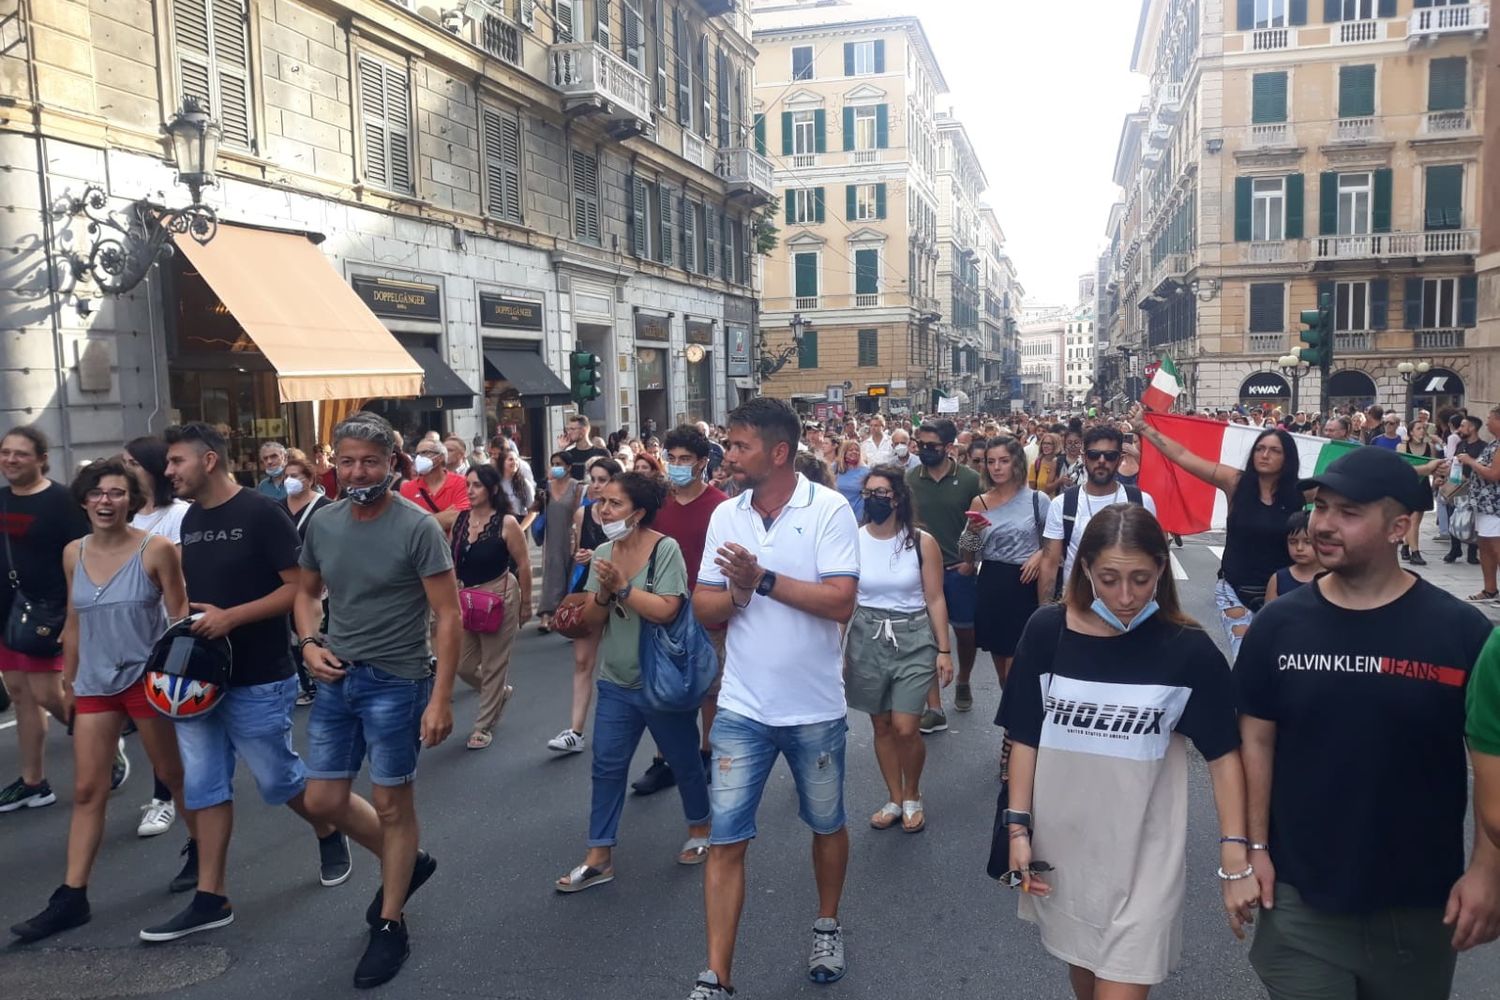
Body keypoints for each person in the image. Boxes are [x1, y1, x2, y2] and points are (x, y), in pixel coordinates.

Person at [1237, 446, 1500, 997]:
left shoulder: (1462, 634)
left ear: (1399, 527)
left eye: (1348, 512)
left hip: (1419, 906)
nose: (1323, 525)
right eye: (1322, 507)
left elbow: (1491, 765)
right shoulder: (1278, 625)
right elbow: (1256, 740)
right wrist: (1251, 849)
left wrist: (1486, 871)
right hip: (1298, 900)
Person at [1001, 504, 1256, 998]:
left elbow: (1225, 756)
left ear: (1162, 569)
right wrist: (1018, 829)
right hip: (1064, 851)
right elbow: (1025, 737)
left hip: (1146, 860)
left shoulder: (1188, 650)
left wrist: (1235, 854)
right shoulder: (1047, 631)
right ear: (1086, 570)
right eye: (1109, 578)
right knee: (1084, 974)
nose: (1124, 596)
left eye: (1140, 579)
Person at [148, 422, 351, 943]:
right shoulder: (190, 519)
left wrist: (232, 618)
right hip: (198, 681)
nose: (169, 471)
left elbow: (302, 591)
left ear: (209, 461)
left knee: (277, 780)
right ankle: (211, 897)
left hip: (260, 677)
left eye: (177, 461)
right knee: (204, 785)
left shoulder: (262, 514)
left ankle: (328, 828)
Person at [686, 397, 859, 999]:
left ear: (778, 452)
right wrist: (736, 592)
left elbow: (841, 601)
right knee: (726, 838)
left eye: (739, 446)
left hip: (815, 709)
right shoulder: (725, 516)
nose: (726, 456)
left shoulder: (830, 508)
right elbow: (705, 609)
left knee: (827, 823)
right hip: (742, 709)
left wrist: (760, 579)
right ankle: (716, 976)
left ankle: (827, 923)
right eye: (727, 445)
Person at [295, 411, 461, 989]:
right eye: (347, 461)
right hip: (336, 678)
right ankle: (407, 862)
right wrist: (310, 642)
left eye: (370, 460)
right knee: (322, 799)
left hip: (397, 680)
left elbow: (448, 615)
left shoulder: (418, 526)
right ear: (332, 465)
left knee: (393, 806)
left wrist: (441, 700)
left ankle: (390, 923)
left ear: (393, 464)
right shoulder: (323, 522)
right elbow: (308, 593)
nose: (358, 470)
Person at [8, 460, 193, 942]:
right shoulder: (74, 551)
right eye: (97, 493)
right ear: (85, 500)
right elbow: (73, 618)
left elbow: (179, 620)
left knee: (173, 777)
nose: (105, 501)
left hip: (144, 680)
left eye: (116, 493)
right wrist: (69, 679)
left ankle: (199, 849)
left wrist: (176, 685)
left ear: (132, 501)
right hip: (93, 683)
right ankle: (72, 896)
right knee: (88, 790)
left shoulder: (158, 550)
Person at [554, 472, 711, 891]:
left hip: (662, 681)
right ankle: (599, 855)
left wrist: (622, 588)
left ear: (638, 512)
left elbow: (667, 610)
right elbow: (590, 620)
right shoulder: (604, 550)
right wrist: (603, 594)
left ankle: (701, 828)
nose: (603, 511)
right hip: (616, 681)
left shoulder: (665, 549)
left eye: (614, 504)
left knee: (683, 761)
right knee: (606, 766)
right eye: (602, 502)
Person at [1136, 414, 1296, 659]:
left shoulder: (1300, 492)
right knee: (1246, 655)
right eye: (1260, 449)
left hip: (1282, 591)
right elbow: (1182, 456)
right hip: (1235, 588)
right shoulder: (1235, 482)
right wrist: (1143, 428)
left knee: (1278, 657)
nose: (1265, 455)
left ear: (1287, 458)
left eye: (1274, 451)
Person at [846, 466, 951, 834]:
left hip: (913, 635)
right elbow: (844, 598)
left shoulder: (921, 542)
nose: (875, 500)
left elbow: (935, 598)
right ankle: (894, 797)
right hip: (867, 635)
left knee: (906, 726)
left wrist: (944, 650)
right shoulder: (852, 539)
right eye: (869, 493)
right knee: (881, 723)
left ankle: (912, 793)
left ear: (898, 498)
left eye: (883, 493)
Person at [632, 425, 729, 796]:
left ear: (702, 462)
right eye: (671, 459)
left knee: (710, 688)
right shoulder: (657, 505)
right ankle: (665, 759)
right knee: (664, 690)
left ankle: (706, 752)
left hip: (707, 610)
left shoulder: (720, 506)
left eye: (684, 459)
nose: (676, 466)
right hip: (663, 610)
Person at [0, 426, 90, 813]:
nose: (10, 460)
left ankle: (98, 736)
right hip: (7, 612)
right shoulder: (1, 500)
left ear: (41, 458)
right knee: (20, 694)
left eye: (20, 453)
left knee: (46, 694)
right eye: (5, 453)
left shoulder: (62, 501)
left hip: (47, 610)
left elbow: (82, 559)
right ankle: (34, 782)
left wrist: (73, 616)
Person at [124, 434, 194, 833]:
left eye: (132, 463)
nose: (125, 470)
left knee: (160, 719)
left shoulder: (178, 515)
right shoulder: (125, 514)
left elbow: (178, 579)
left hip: (163, 628)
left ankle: (164, 797)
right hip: (127, 630)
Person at [906, 420, 982, 728]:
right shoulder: (910, 479)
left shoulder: (970, 480)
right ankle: (934, 706)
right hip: (920, 572)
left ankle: (963, 678)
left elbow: (982, 522)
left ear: (949, 448)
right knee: (925, 638)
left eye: (932, 446)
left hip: (958, 570)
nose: (924, 450)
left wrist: (971, 561)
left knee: (965, 632)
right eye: (920, 445)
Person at [962, 436, 1051, 690]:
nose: (997, 467)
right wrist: (971, 531)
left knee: (1018, 670)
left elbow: (1056, 545)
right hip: (991, 583)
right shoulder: (980, 502)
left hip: (1025, 584)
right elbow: (969, 557)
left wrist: (1040, 555)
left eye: (1003, 460)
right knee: (1002, 671)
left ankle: (1016, 727)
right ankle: (1013, 721)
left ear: (1017, 463)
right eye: (991, 462)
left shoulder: (1038, 500)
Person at [453, 464, 531, 750]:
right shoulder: (462, 520)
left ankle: (483, 726)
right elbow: (453, 561)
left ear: (493, 490)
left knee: (495, 663)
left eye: (476, 485)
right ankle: (498, 693)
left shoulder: (506, 523)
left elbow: (523, 563)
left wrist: (525, 605)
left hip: (500, 597)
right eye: (468, 485)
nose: (470, 490)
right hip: (468, 599)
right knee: (462, 665)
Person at [547, 457, 619, 754]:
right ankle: (575, 731)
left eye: (603, 479)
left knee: (625, 665)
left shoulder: (626, 513)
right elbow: (578, 553)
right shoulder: (583, 513)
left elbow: (636, 552)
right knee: (582, 662)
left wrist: (601, 557)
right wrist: (581, 559)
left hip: (623, 592)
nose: (597, 485)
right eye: (594, 478)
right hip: (588, 590)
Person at [1040, 426, 1158, 603]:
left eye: (1110, 456)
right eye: (1094, 455)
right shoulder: (1062, 504)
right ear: (1084, 457)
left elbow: (1155, 557)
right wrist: (1045, 611)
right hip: (1076, 606)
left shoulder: (1141, 501)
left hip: (1129, 606)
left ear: (1119, 459)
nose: (1102, 461)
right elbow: (1049, 562)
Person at [536, 452, 585, 634]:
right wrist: (542, 488)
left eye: (559, 463)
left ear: (569, 467)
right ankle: (546, 613)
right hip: (552, 535)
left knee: (570, 570)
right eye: (553, 463)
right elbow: (534, 508)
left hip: (571, 533)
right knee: (552, 570)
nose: (555, 466)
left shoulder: (577, 487)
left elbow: (580, 510)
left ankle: (565, 612)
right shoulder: (546, 487)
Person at [1457, 405, 1500, 602]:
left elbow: (1494, 475)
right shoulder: (1494, 443)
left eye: (1491, 418)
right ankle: (1490, 589)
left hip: (1495, 506)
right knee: (1485, 547)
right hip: (1484, 504)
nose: (1488, 421)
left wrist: (1471, 462)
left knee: (1496, 547)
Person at [399, 438, 470, 534]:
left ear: (440, 457)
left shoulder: (462, 482)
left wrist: (419, 522)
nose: (419, 458)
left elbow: (460, 516)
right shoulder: (407, 488)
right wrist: (445, 515)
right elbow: (406, 525)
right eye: (417, 454)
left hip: (453, 547)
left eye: (424, 453)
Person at [1445, 414, 1485, 566]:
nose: (1459, 429)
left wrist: (1469, 465)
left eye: (1463, 425)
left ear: (1472, 428)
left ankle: (1472, 552)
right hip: (1456, 487)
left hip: (1474, 489)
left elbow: (1485, 468)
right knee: (1453, 517)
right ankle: (1455, 549)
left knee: (1472, 521)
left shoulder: (1483, 447)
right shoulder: (1461, 444)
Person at [1398, 419, 1437, 566]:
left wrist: (1437, 482)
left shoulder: (1430, 447)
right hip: (1408, 486)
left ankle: (1406, 546)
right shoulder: (1402, 446)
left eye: (1423, 428)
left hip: (1423, 486)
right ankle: (1415, 553)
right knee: (1412, 520)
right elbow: (1400, 467)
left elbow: (1433, 467)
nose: (1422, 431)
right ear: (1411, 431)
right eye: (1418, 428)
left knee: (1416, 521)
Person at [1262, 510, 1319, 604]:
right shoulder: (1278, 579)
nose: (1299, 548)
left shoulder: (1335, 578)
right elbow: (1269, 616)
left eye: (1307, 542)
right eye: (1293, 542)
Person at [562, 414, 610, 480]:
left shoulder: (602, 453)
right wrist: (562, 448)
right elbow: (554, 474)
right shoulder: (568, 454)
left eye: (572, 429)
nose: (569, 432)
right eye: (568, 429)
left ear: (584, 430)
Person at [834, 438, 868, 520]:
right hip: (838, 512)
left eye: (857, 450)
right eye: (851, 450)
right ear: (844, 453)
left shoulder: (866, 471)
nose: (854, 452)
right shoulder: (835, 467)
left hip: (858, 515)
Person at [1028, 432, 1064, 498]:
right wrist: (1059, 481)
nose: (1045, 446)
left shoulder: (1061, 464)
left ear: (1055, 445)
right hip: (1040, 503)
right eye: (1044, 443)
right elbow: (1031, 490)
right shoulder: (1036, 464)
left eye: (1049, 444)